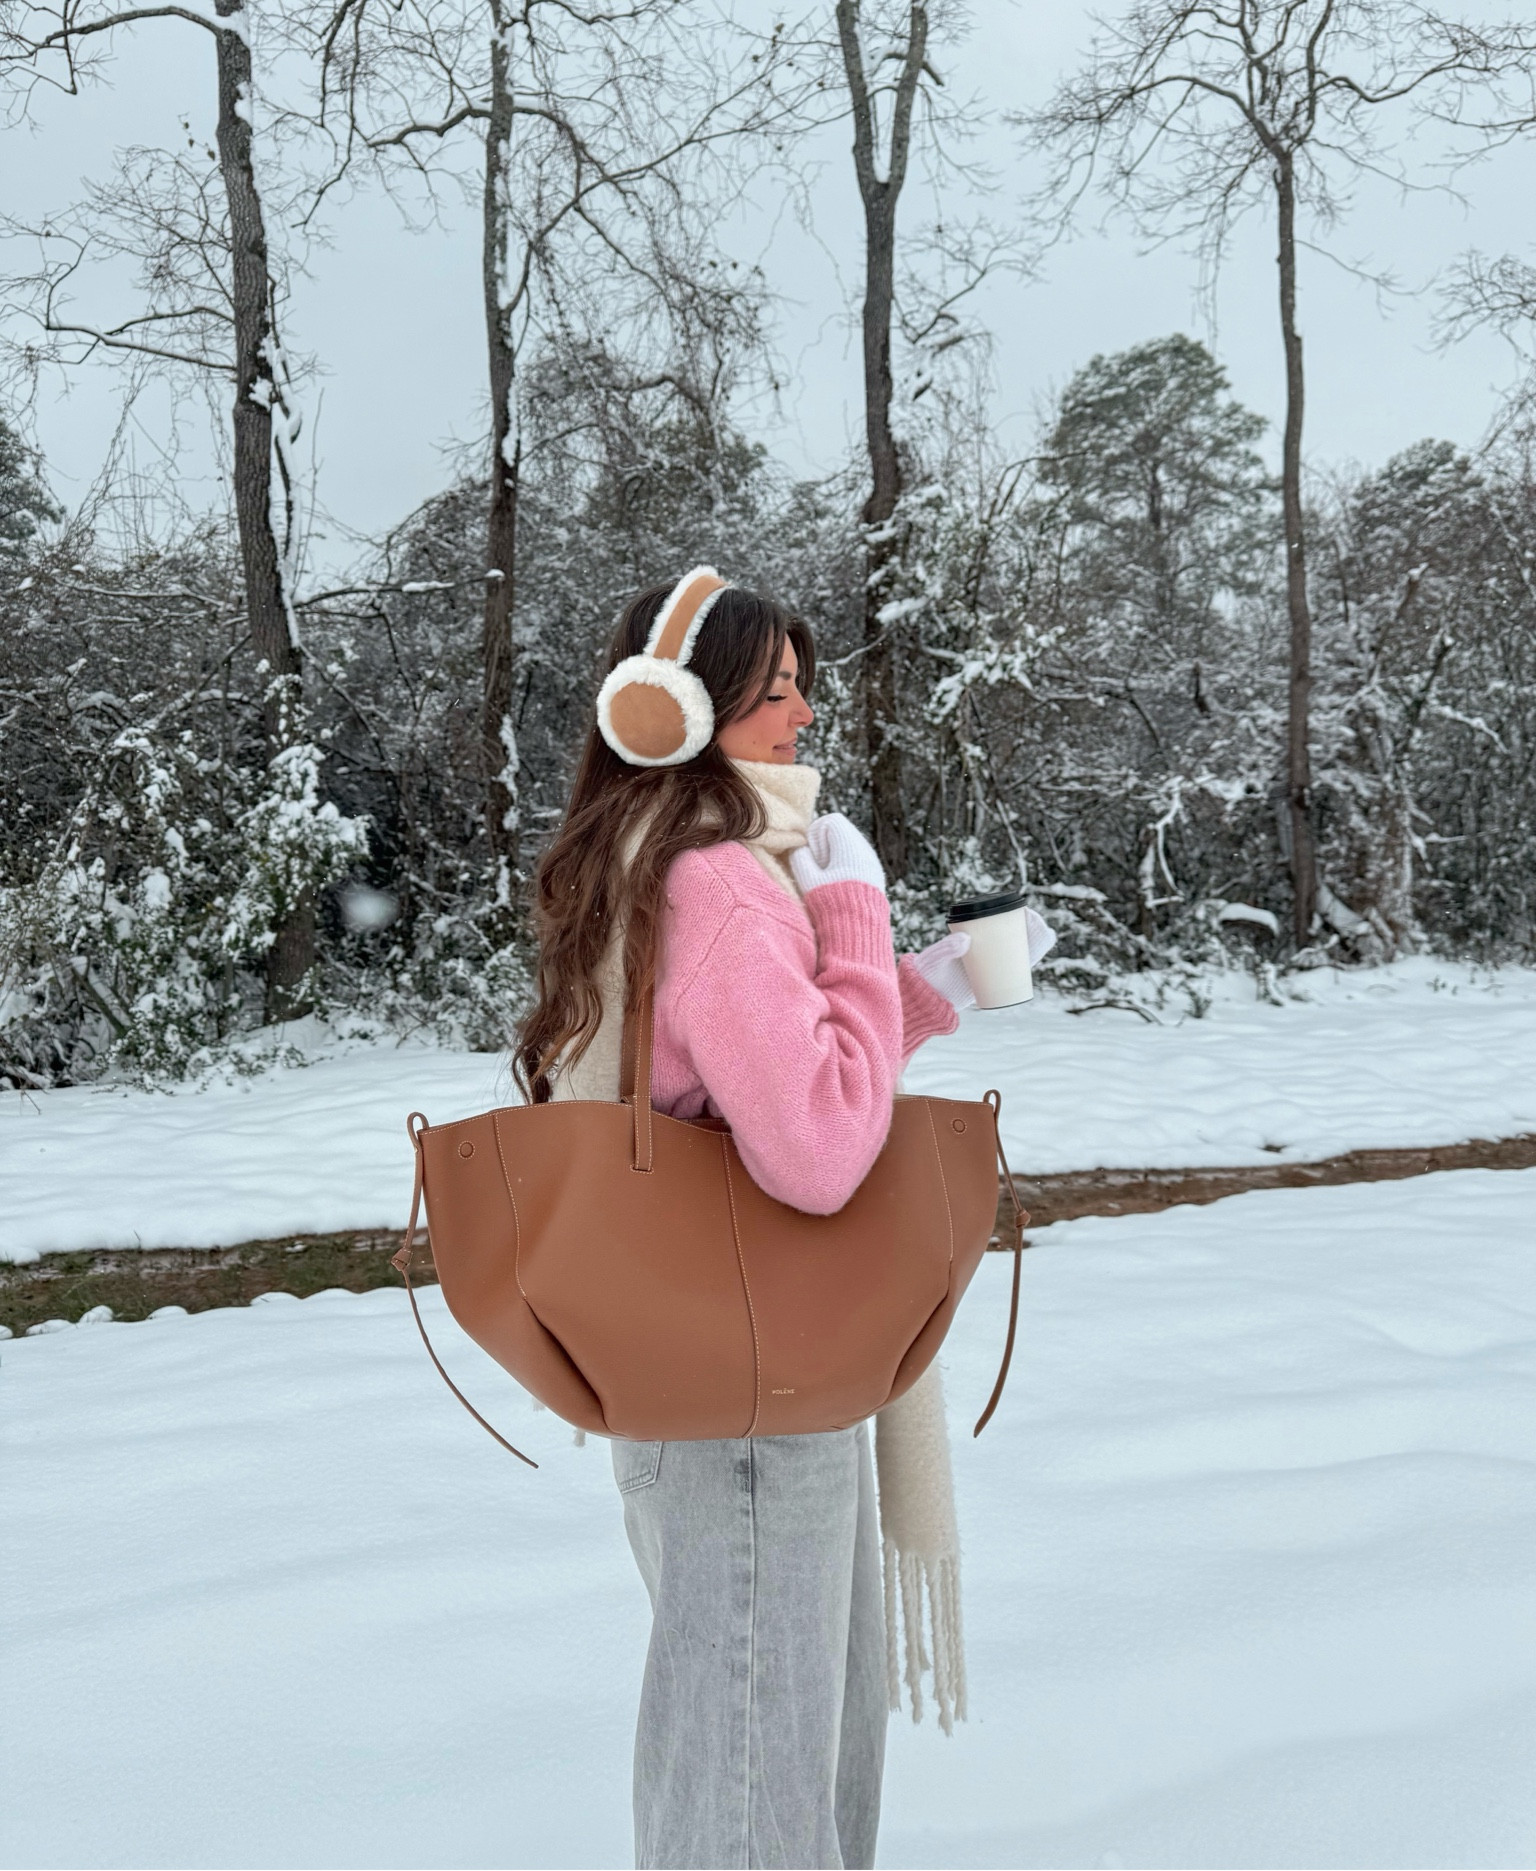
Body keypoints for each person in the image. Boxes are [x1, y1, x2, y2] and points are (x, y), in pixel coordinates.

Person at [515, 573, 981, 1870]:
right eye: (773, 690)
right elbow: (824, 1153)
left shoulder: (650, 862)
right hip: (758, 1396)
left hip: (705, 1377)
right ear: (675, 710)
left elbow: (752, 1078)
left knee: (763, 1757)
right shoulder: (719, 882)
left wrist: (908, 998)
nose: (804, 710)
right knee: (758, 1789)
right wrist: (852, 910)